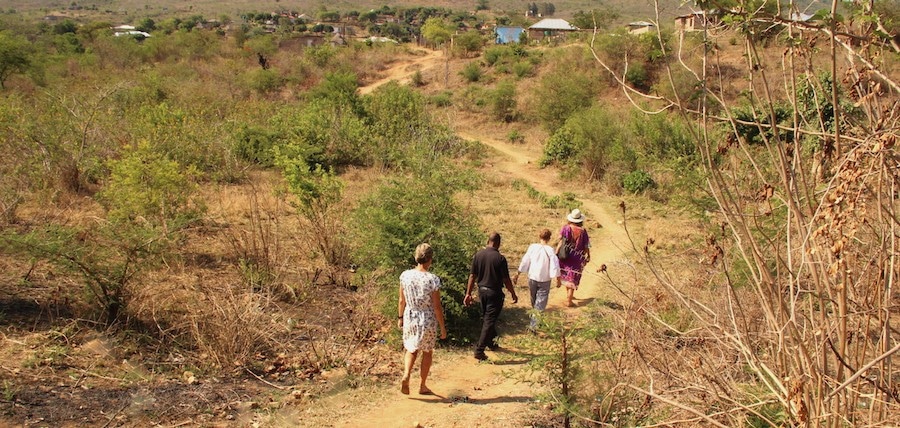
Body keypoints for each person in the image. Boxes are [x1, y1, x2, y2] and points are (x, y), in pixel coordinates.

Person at [397, 243, 447, 395]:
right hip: (427, 317)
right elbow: (437, 306)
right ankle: (422, 385)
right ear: (430, 259)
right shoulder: (432, 280)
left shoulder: (405, 275)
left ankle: (406, 374)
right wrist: (443, 327)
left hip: (410, 314)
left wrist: (400, 317)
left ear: (416, 257)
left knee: (411, 348)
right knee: (427, 351)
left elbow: (401, 300)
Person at [464, 232, 518, 361]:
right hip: (495, 293)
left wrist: (468, 293)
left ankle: (491, 342)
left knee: (488, 318)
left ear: (488, 241)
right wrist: (513, 293)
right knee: (489, 320)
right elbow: (506, 279)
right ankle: (479, 350)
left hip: (482, 291)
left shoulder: (478, 255)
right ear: (498, 243)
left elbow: (472, 276)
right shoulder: (500, 258)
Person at [514, 228, 560, 330]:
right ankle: (534, 325)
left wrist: (518, 273)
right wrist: (558, 279)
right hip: (544, 280)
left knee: (534, 300)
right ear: (549, 238)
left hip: (532, 278)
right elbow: (555, 265)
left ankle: (535, 320)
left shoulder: (532, 247)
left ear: (539, 237)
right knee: (540, 303)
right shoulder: (550, 250)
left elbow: (525, 261)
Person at [558, 209, 591, 307]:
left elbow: (560, 240)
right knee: (573, 277)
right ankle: (569, 299)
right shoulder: (583, 231)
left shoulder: (566, 228)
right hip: (578, 257)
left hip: (565, 255)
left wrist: (556, 253)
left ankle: (569, 296)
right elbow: (586, 246)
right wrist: (588, 255)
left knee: (567, 275)